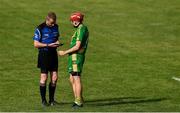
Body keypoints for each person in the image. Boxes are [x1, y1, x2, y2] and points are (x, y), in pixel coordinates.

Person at [58, 12, 89, 108]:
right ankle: (78, 97)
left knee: (76, 77)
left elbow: (77, 46)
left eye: (72, 21)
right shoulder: (80, 29)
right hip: (73, 56)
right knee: (72, 78)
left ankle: (78, 101)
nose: (72, 23)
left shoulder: (81, 29)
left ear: (76, 21)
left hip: (76, 56)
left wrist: (65, 52)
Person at [33, 12, 60, 106]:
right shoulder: (40, 28)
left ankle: (52, 100)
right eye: (51, 23)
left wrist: (57, 43)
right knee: (44, 78)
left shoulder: (56, 27)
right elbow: (36, 44)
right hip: (44, 54)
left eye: (54, 22)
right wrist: (48, 45)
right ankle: (43, 101)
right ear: (47, 19)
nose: (52, 24)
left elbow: (56, 38)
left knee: (55, 77)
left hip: (53, 54)